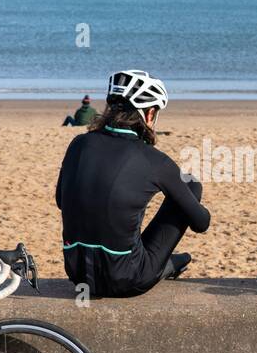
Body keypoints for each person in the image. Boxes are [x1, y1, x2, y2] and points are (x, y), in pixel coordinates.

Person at [56, 70, 210, 298]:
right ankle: (167, 264)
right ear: (149, 114)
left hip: (78, 273)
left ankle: (164, 262)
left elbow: (61, 201)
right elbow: (201, 223)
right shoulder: (154, 159)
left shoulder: (78, 144)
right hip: (127, 281)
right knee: (191, 184)